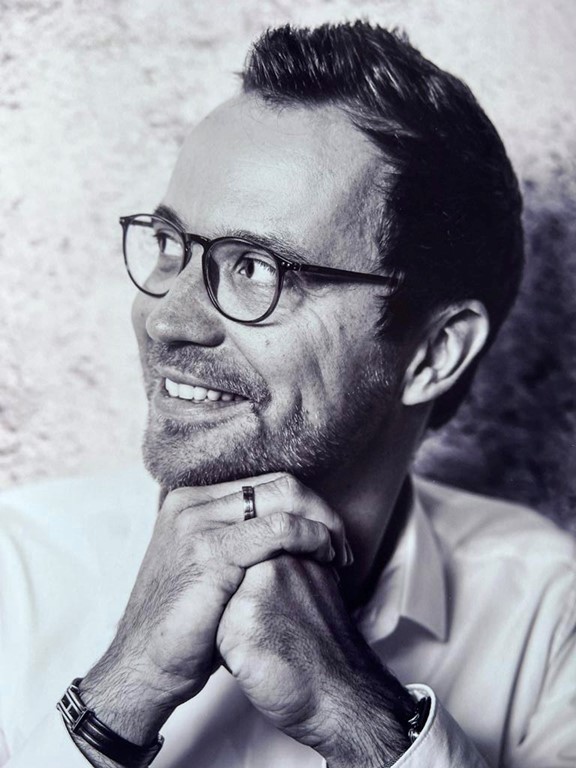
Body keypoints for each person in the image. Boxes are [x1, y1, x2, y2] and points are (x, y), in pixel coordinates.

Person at [1, 20, 575, 768]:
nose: (167, 319)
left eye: (256, 268)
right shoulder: (17, 569)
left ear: (435, 353)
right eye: (171, 245)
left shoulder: (550, 614)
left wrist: (362, 717)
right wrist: (123, 691)